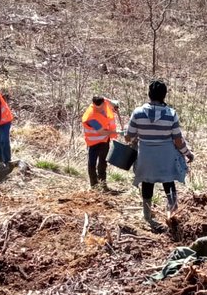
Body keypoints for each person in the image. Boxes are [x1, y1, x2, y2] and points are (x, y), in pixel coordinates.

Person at [124, 80, 193, 228]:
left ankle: (148, 217)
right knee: (169, 183)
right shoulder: (171, 114)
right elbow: (178, 139)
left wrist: (134, 135)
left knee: (147, 183)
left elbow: (128, 136)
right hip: (166, 157)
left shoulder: (138, 113)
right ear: (164, 95)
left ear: (149, 94)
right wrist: (187, 153)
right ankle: (172, 214)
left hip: (145, 157)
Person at [81, 95, 120, 190]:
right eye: (97, 108)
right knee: (92, 164)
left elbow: (109, 101)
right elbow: (101, 131)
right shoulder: (90, 116)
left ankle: (103, 184)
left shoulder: (105, 102)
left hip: (104, 140)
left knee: (103, 162)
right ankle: (94, 186)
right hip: (93, 142)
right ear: (93, 104)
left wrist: (114, 105)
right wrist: (117, 132)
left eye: (101, 106)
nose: (100, 109)